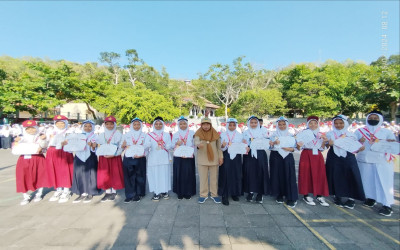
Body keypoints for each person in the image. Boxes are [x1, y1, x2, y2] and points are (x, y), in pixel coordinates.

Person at [355, 110, 397, 216]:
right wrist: (360, 141)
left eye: (375, 118)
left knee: (383, 182)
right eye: (371, 118)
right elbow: (353, 143)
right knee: (367, 181)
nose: (373, 120)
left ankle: (387, 205)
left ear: (380, 119)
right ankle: (371, 198)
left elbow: (393, 145)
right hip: (365, 160)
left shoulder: (386, 132)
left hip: (382, 161)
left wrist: (389, 142)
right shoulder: (360, 131)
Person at [325, 115, 365, 209]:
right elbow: (325, 146)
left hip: (348, 156)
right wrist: (328, 143)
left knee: (351, 175)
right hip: (334, 157)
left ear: (345, 123)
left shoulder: (351, 135)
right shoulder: (330, 134)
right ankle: (337, 196)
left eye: (341, 123)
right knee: (335, 175)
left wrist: (360, 148)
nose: (338, 125)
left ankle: (351, 198)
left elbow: (356, 149)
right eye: (336, 123)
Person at [297, 116, 330, 207]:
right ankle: (306, 194)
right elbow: (298, 146)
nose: (313, 125)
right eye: (311, 123)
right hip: (306, 153)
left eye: (315, 123)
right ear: (308, 124)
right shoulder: (304, 133)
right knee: (306, 174)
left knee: (320, 174)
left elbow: (322, 148)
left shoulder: (321, 134)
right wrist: (299, 144)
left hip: (317, 154)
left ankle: (319, 195)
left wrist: (324, 141)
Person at [14, 120, 48, 205]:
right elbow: (15, 150)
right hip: (24, 159)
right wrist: (16, 142)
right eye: (28, 129)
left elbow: (44, 147)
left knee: (40, 176)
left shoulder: (40, 137)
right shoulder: (21, 138)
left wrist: (43, 141)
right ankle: (25, 196)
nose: (31, 130)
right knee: (22, 177)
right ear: (25, 129)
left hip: (37, 158)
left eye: (33, 128)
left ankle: (39, 194)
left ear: (36, 128)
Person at [269, 116, 298, 208]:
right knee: (277, 175)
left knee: (289, 175)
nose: (281, 126)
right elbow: (269, 147)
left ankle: (291, 197)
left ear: (287, 124)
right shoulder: (273, 135)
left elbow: (296, 148)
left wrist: (289, 149)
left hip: (287, 156)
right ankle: (279, 194)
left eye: (283, 124)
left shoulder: (291, 135)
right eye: (280, 124)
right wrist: (273, 143)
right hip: (275, 156)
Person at [69, 120, 100, 203]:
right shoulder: (78, 136)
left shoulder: (95, 136)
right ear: (82, 127)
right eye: (85, 126)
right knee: (79, 173)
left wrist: (93, 146)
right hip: (79, 156)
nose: (87, 128)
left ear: (93, 127)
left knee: (90, 174)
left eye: (90, 126)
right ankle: (82, 192)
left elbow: (96, 148)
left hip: (90, 156)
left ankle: (91, 192)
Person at [46, 115, 74, 203]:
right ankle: (58, 189)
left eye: (62, 123)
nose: (60, 125)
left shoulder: (69, 131)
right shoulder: (50, 131)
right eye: (58, 123)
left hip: (65, 151)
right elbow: (46, 142)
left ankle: (66, 191)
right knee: (55, 170)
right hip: (53, 151)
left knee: (65, 170)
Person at [194, 117, 223, 204]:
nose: (206, 126)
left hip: (214, 159)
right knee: (203, 178)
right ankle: (203, 195)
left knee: (214, 178)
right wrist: (198, 144)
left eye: (207, 124)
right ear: (201, 125)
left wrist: (220, 157)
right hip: (202, 159)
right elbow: (196, 141)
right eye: (204, 124)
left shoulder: (215, 134)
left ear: (210, 125)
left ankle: (214, 194)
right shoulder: (198, 133)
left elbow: (219, 147)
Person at [96, 116, 124, 202]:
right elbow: (98, 146)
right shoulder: (101, 135)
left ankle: (114, 191)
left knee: (114, 173)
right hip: (104, 157)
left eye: (111, 124)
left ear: (114, 125)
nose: (109, 126)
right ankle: (107, 192)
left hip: (114, 157)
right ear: (104, 125)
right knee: (105, 174)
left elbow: (121, 147)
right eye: (107, 124)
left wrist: (115, 154)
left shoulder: (118, 134)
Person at [242, 116, 270, 204]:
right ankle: (250, 191)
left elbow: (268, 142)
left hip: (260, 153)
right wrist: (245, 146)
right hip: (249, 155)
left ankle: (260, 193)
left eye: (255, 122)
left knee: (261, 172)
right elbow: (243, 143)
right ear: (248, 123)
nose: (253, 124)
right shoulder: (245, 132)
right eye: (251, 122)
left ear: (258, 123)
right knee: (249, 172)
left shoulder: (263, 131)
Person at [144, 116, 172, 201]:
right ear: (153, 125)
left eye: (160, 124)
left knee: (164, 174)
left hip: (164, 157)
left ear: (163, 125)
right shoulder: (149, 135)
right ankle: (156, 192)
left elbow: (170, 146)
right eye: (156, 124)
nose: (158, 125)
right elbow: (145, 146)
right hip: (153, 157)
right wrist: (147, 145)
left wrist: (166, 146)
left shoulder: (166, 135)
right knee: (155, 174)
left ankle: (164, 191)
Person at [121, 118, 147, 203]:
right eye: (135, 124)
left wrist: (142, 154)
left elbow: (147, 147)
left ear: (141, 125)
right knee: (128, 176)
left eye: (138, 124)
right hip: (129, 158)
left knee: (140, 176)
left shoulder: (144, 135)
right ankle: (129, 194)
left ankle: (139, 193)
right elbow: (122, 146)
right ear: (132, 125)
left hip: (140, 158)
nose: (136, 126)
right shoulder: (126, 135)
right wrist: (123, 145)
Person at [218, 118, 243, 206]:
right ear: (227, 125)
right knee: (225, 174)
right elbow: (220, 148)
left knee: (236, 174)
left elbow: (242, 146)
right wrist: (223, 145)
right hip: (226, 156)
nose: (232, 127)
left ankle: (234, 193)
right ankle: (224, 194)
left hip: (236, 157)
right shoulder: (223, 134)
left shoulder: (240, 135)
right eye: (230, 125)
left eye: (233, 125)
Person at [172, 116, 196, 200]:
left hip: (189, 156)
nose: (182, 125)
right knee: (179, 173)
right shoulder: (175, 134)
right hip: (179, 157)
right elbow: (172, 146)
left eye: (184, 124)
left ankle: (188, 191)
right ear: (178, 125)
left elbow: (195, 144)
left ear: (187, 124)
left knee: (188, 173)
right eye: (181, 124)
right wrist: (177, 144)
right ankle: (180, 192)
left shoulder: (192, 133)